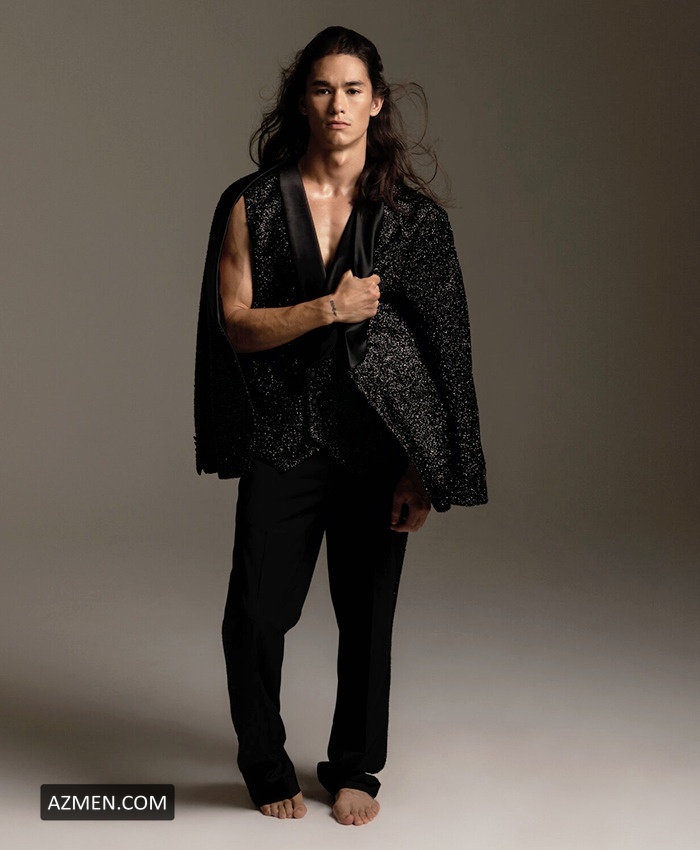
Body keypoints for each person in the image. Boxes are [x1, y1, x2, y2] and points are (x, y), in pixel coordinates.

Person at [193, 25, 487, 826]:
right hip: (283, 435)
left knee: (367, 617)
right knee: (256, 612)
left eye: (353, 89)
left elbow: (448, 351)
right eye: (322, 88)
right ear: (302, 100)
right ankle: (264, 762)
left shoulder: (413, 222)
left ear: (377, 102)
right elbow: (236, 325)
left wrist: (424, 469)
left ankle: (356, 766)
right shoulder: (252, 204)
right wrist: (330, 308)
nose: (337, 104)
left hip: (374, 443)